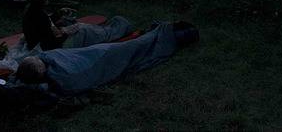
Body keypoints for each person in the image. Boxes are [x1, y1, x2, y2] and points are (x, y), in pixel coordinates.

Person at [16, 21, 197, 95]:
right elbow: (80, 79)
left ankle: (170, 30)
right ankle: (176, 32)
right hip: (104, 58)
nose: (40, 59)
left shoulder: (47, 60)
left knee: (136, 46)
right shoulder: (62, 79)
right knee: (138, 47)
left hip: (96, 52)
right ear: (40, 70)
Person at [22, 0, 134, 50]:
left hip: (46, 42)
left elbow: (44, 24)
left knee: (75, 24)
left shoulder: (33, 9)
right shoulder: (37, 13)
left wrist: (58, 14)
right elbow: (54, 37)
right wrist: (68, 29)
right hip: (57, 47)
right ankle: (122, 26)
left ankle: (107, 28)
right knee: (84, 30)